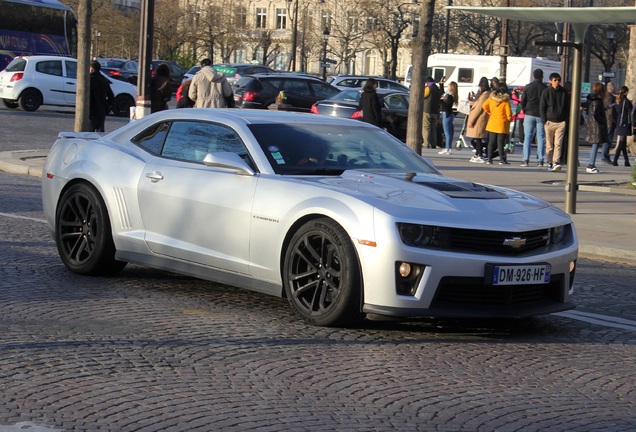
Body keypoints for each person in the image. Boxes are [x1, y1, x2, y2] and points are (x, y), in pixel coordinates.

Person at [540, 72, 569, 172]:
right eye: (555, 80)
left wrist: (565, 119)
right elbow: (542, 107)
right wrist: (544, 120)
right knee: (549, 145)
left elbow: (567, 107)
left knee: (558, 144)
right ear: (550, 81)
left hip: (560, 122)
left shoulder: (564, 92)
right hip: (549, 121)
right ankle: (550, 162)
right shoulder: (546, 92)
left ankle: (556, 162)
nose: (557, 82)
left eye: (558, 80)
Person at [520, 68, 547, 167]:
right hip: (540, 114)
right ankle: (540, 160)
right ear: (542, 77)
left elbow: (523, 101)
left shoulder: (528, 87)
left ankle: (525, 159)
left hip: (529, 113)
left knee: (527, 137)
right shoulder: (545, 88)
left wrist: (524, 109)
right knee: (540, 138)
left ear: (533, 76)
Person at [482, 82, 513, 165]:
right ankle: (502, 159)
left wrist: (490, 112)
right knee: (500, 143)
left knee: (491, 142)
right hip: (502, 124)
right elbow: (509, 113)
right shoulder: (505, 101)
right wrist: (509, 119)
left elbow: (484, 106)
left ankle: (489, 158)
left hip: (492, 123)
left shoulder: (491, 98)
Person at [584, 82, 609, 174]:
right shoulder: (597, 101)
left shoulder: (592, 99)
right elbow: (596, 114)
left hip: (592, 125)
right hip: (597, 126)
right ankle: (591, 165)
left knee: (595, 145)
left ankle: (591, 164)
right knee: (595, 145)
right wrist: (602, 121)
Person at [465, 79, 490, 163]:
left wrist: (471, 121)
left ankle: (480, 155)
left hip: (479, 120)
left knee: (477, 138)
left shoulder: (483, 96)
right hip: (482, 119)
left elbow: (478, 109)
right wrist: (472, 100)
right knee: (477, 138)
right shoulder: (487, 95)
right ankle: (477, 154)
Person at [89, 60, 114, 132]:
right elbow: (111, 96)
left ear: (91, 69)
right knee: (100, 131)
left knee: (89, 132)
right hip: (101, 109)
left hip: (91, 110)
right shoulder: (104, 80)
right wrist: (107, 105)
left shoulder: (89, 80)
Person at [611, 86, 632, 167]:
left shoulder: (618, 101)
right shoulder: (626, 102)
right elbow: (630, 113)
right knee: (621, 144)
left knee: (623, 143)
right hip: (624, 124)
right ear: (626, 92)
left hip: (619, 123)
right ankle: (615, 160)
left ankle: (626, 161)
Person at [422, 76, 442, 149]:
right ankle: (433, 143)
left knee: (426, 127)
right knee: (433, 128)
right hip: (435, 111)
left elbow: (423, 95)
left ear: (427, 83)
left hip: (427, 110)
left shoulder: (428, 88)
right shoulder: (436, 88)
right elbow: (441, 94)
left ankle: (426, 143)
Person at [438, 81, 458, 155]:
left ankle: (447, 148)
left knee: (447, 132)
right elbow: (442, 92)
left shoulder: (449, 96)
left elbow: (446, 106)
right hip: (448, 114)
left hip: (447, 114)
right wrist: (441, 85)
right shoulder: (449, 95)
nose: (448, 86)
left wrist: (441, 100)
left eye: (449, 85)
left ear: (451, 87)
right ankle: (447, 148)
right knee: (448, 132)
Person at [602, 81, 618, 163]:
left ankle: (605, 155)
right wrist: (614, 121)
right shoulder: (610, 97)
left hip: (607, 120)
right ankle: (605, 156)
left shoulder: (606, 96)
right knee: (608, 139)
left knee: (607, 139)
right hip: (610, 121)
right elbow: (610, 111)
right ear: (612, 89)